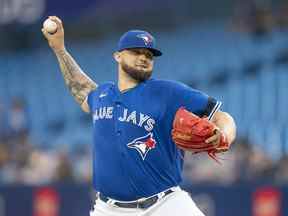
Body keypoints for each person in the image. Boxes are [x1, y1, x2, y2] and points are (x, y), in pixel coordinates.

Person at [42, 16, 236, 216]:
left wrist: (225, 134)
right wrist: (59, 49)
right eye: (136, 52)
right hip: (108, 209)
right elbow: (80, 88)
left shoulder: (168, 92)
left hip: (165, 205)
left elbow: (222, 116)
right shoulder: (102, 95)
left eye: (149, 55)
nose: (143, 58)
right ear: (117, 56)